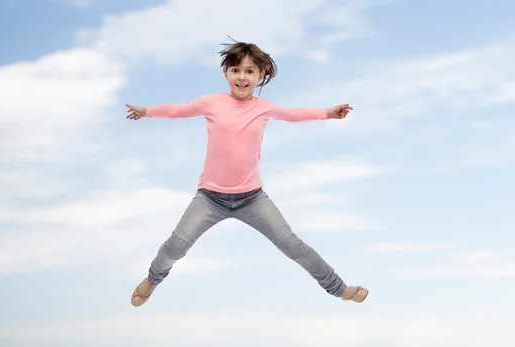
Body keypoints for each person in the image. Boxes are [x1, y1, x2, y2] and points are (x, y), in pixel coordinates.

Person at [125, 38, 368, 307]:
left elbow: (293, 114)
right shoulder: (211, 103)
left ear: (260, 75)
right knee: (176, 246)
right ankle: (151, 281)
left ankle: (339, 289)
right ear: (226, 73)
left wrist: (328, 113)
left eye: (250, 71)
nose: (242, 77)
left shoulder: (264, 109)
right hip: (209, 198)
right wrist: (146, 111)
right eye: (236, 70)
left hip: (252, 198)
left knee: (293, 246)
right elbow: (177, 110)